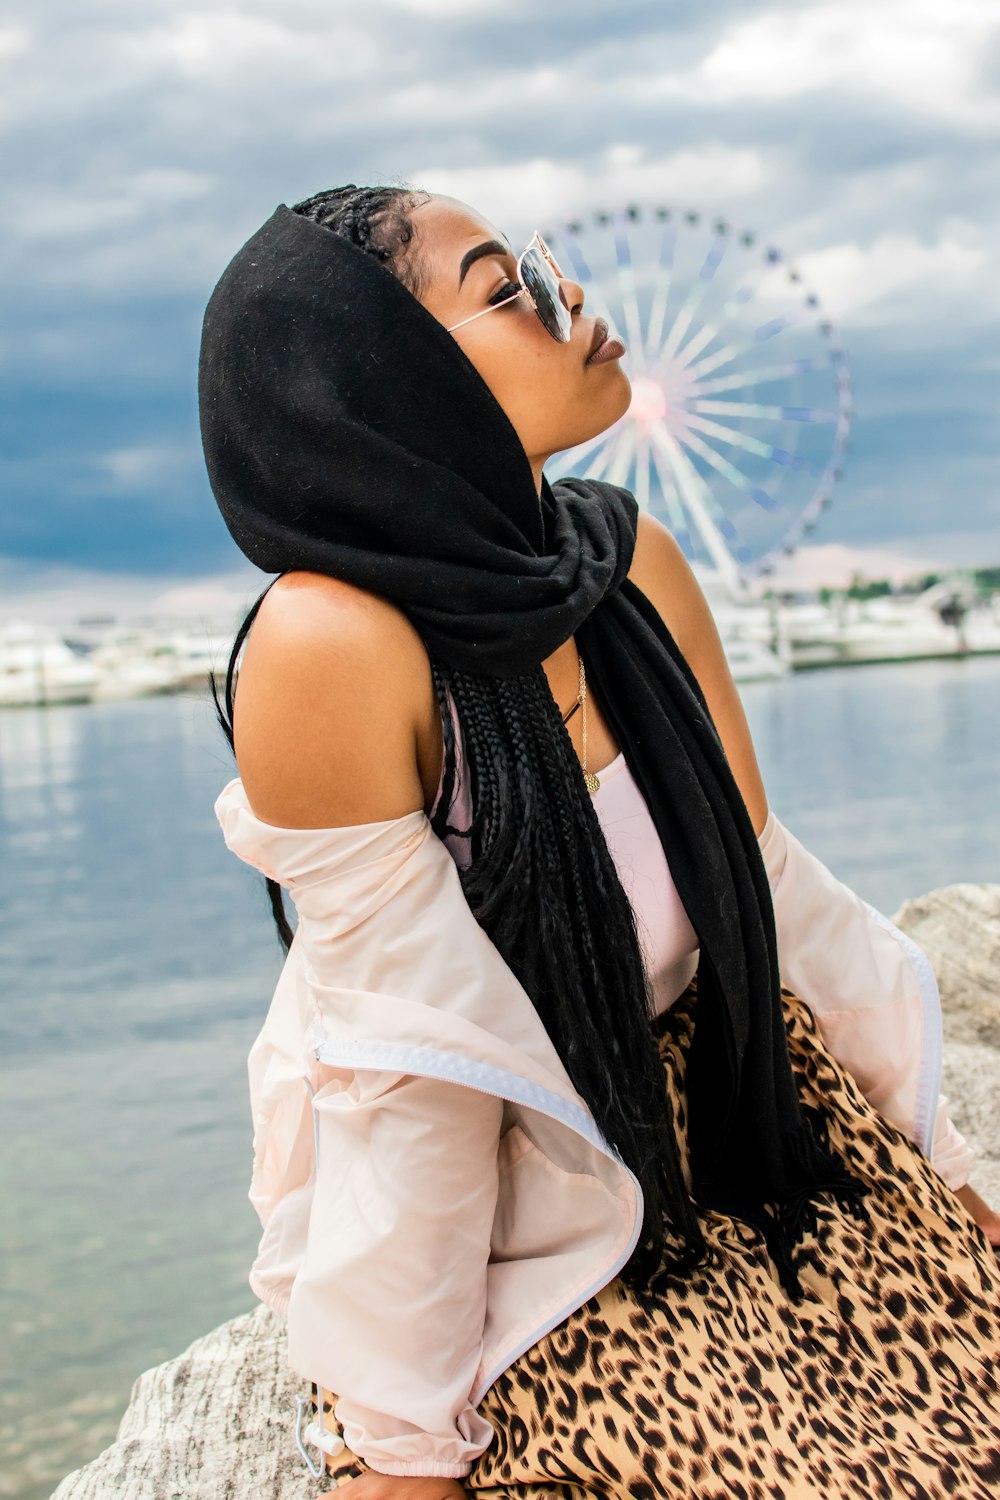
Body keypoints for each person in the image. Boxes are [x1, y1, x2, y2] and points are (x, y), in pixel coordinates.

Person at [201, 184, 1000, 1499]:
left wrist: (946, 1170)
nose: (581, 308)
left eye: (552, 271)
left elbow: (772, 888)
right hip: (541, 1173)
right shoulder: (329, 643)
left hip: (740, 1117)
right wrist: (404, 1451)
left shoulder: (632, 564)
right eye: (510, 290)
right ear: (381, 382)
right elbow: (423, 1070)